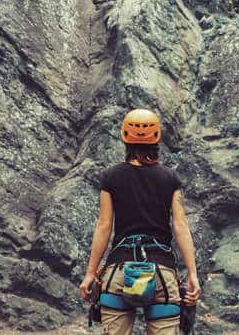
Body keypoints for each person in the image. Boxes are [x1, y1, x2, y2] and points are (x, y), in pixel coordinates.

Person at [79, 109, 201, 335]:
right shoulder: (170, 179)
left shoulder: (110, 177)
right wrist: (192, 274)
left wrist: (90, 273)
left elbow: (104, 226)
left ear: (124, 137)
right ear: (157, 138)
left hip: (119, 271)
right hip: (161, 272)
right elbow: (181, 226)